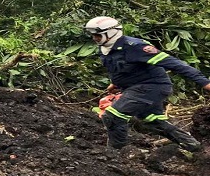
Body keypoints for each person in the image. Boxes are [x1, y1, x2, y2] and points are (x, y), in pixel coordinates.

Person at [84, 16, 210, 152]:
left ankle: (116, 155)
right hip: (136, 87)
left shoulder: (135, 47)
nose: (94, 39)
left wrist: (204, 82)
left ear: (111, 33)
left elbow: (174, 63)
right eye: (93, 35)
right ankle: (195, 148)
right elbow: (122, 68)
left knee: (113, 116)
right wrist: (115, 83)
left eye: (97, 35)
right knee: (152, 122)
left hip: (152, 86)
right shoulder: (106, 48)